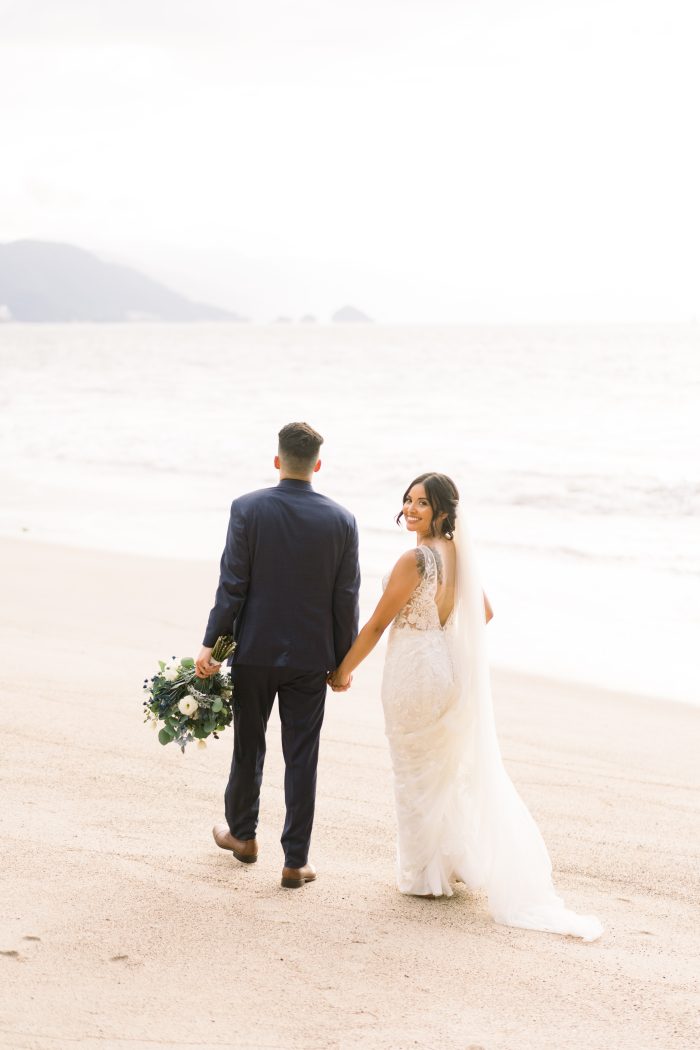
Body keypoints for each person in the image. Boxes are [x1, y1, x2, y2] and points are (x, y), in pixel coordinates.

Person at [329, 472, 603, 940]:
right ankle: (448, 866)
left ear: (442, 512)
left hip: (413, 669)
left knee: (413, 771)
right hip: (445, 665)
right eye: (407, 500)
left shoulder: (414, 559)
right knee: (440, 770)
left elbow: (376, 625)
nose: (411, 509)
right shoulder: (460, 555)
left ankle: (422, 877)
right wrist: (446, 632)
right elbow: (486, 613)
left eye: (422, 503)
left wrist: (342, 670)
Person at [196, 422, 360, 889]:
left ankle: (243, 836)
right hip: (311, 656)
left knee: (249, 744)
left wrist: (212, 643)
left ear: (277, 460)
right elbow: (345, 597)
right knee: (302, 756)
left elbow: (233, 585)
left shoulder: (247, 508)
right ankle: (295, 861)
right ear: (318, 465)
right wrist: (342, 662)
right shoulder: (342, 520)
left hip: (254, 651)